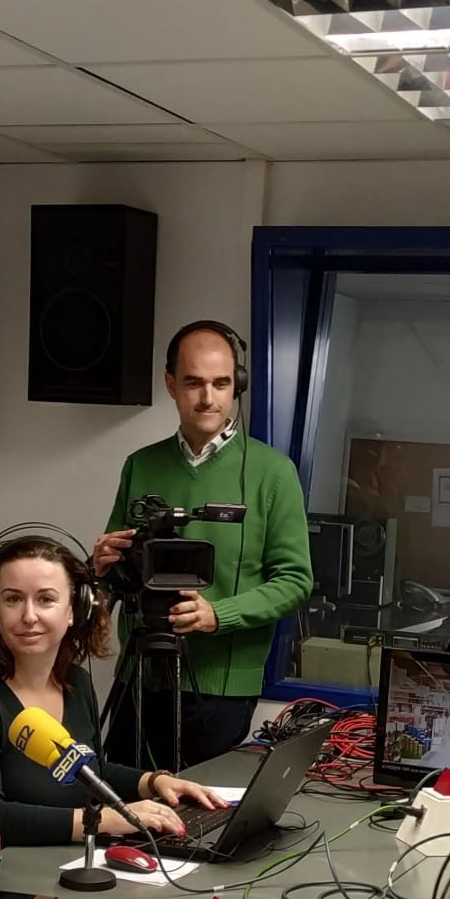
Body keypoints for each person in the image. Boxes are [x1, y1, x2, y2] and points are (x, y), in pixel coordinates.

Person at [92, 320, 311, 770]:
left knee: (198, 821)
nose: (208, 398)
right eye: (193, 382)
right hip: (140, 676)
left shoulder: (273, 473)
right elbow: (120, 567)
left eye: (221, 383)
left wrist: (217, 615)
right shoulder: (141, 464)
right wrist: (101, 566)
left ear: (238, 386)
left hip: (221, 687)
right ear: (171, 384)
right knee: (125, 808)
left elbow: (295, 581)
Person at [0, 532, 226, 845]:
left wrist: (154, 782)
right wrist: (102, 820)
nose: (29, 616)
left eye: (46, 599)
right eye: (13, 599)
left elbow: (89, 769)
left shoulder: (75, 681)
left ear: (75, 609)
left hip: (73, 856)